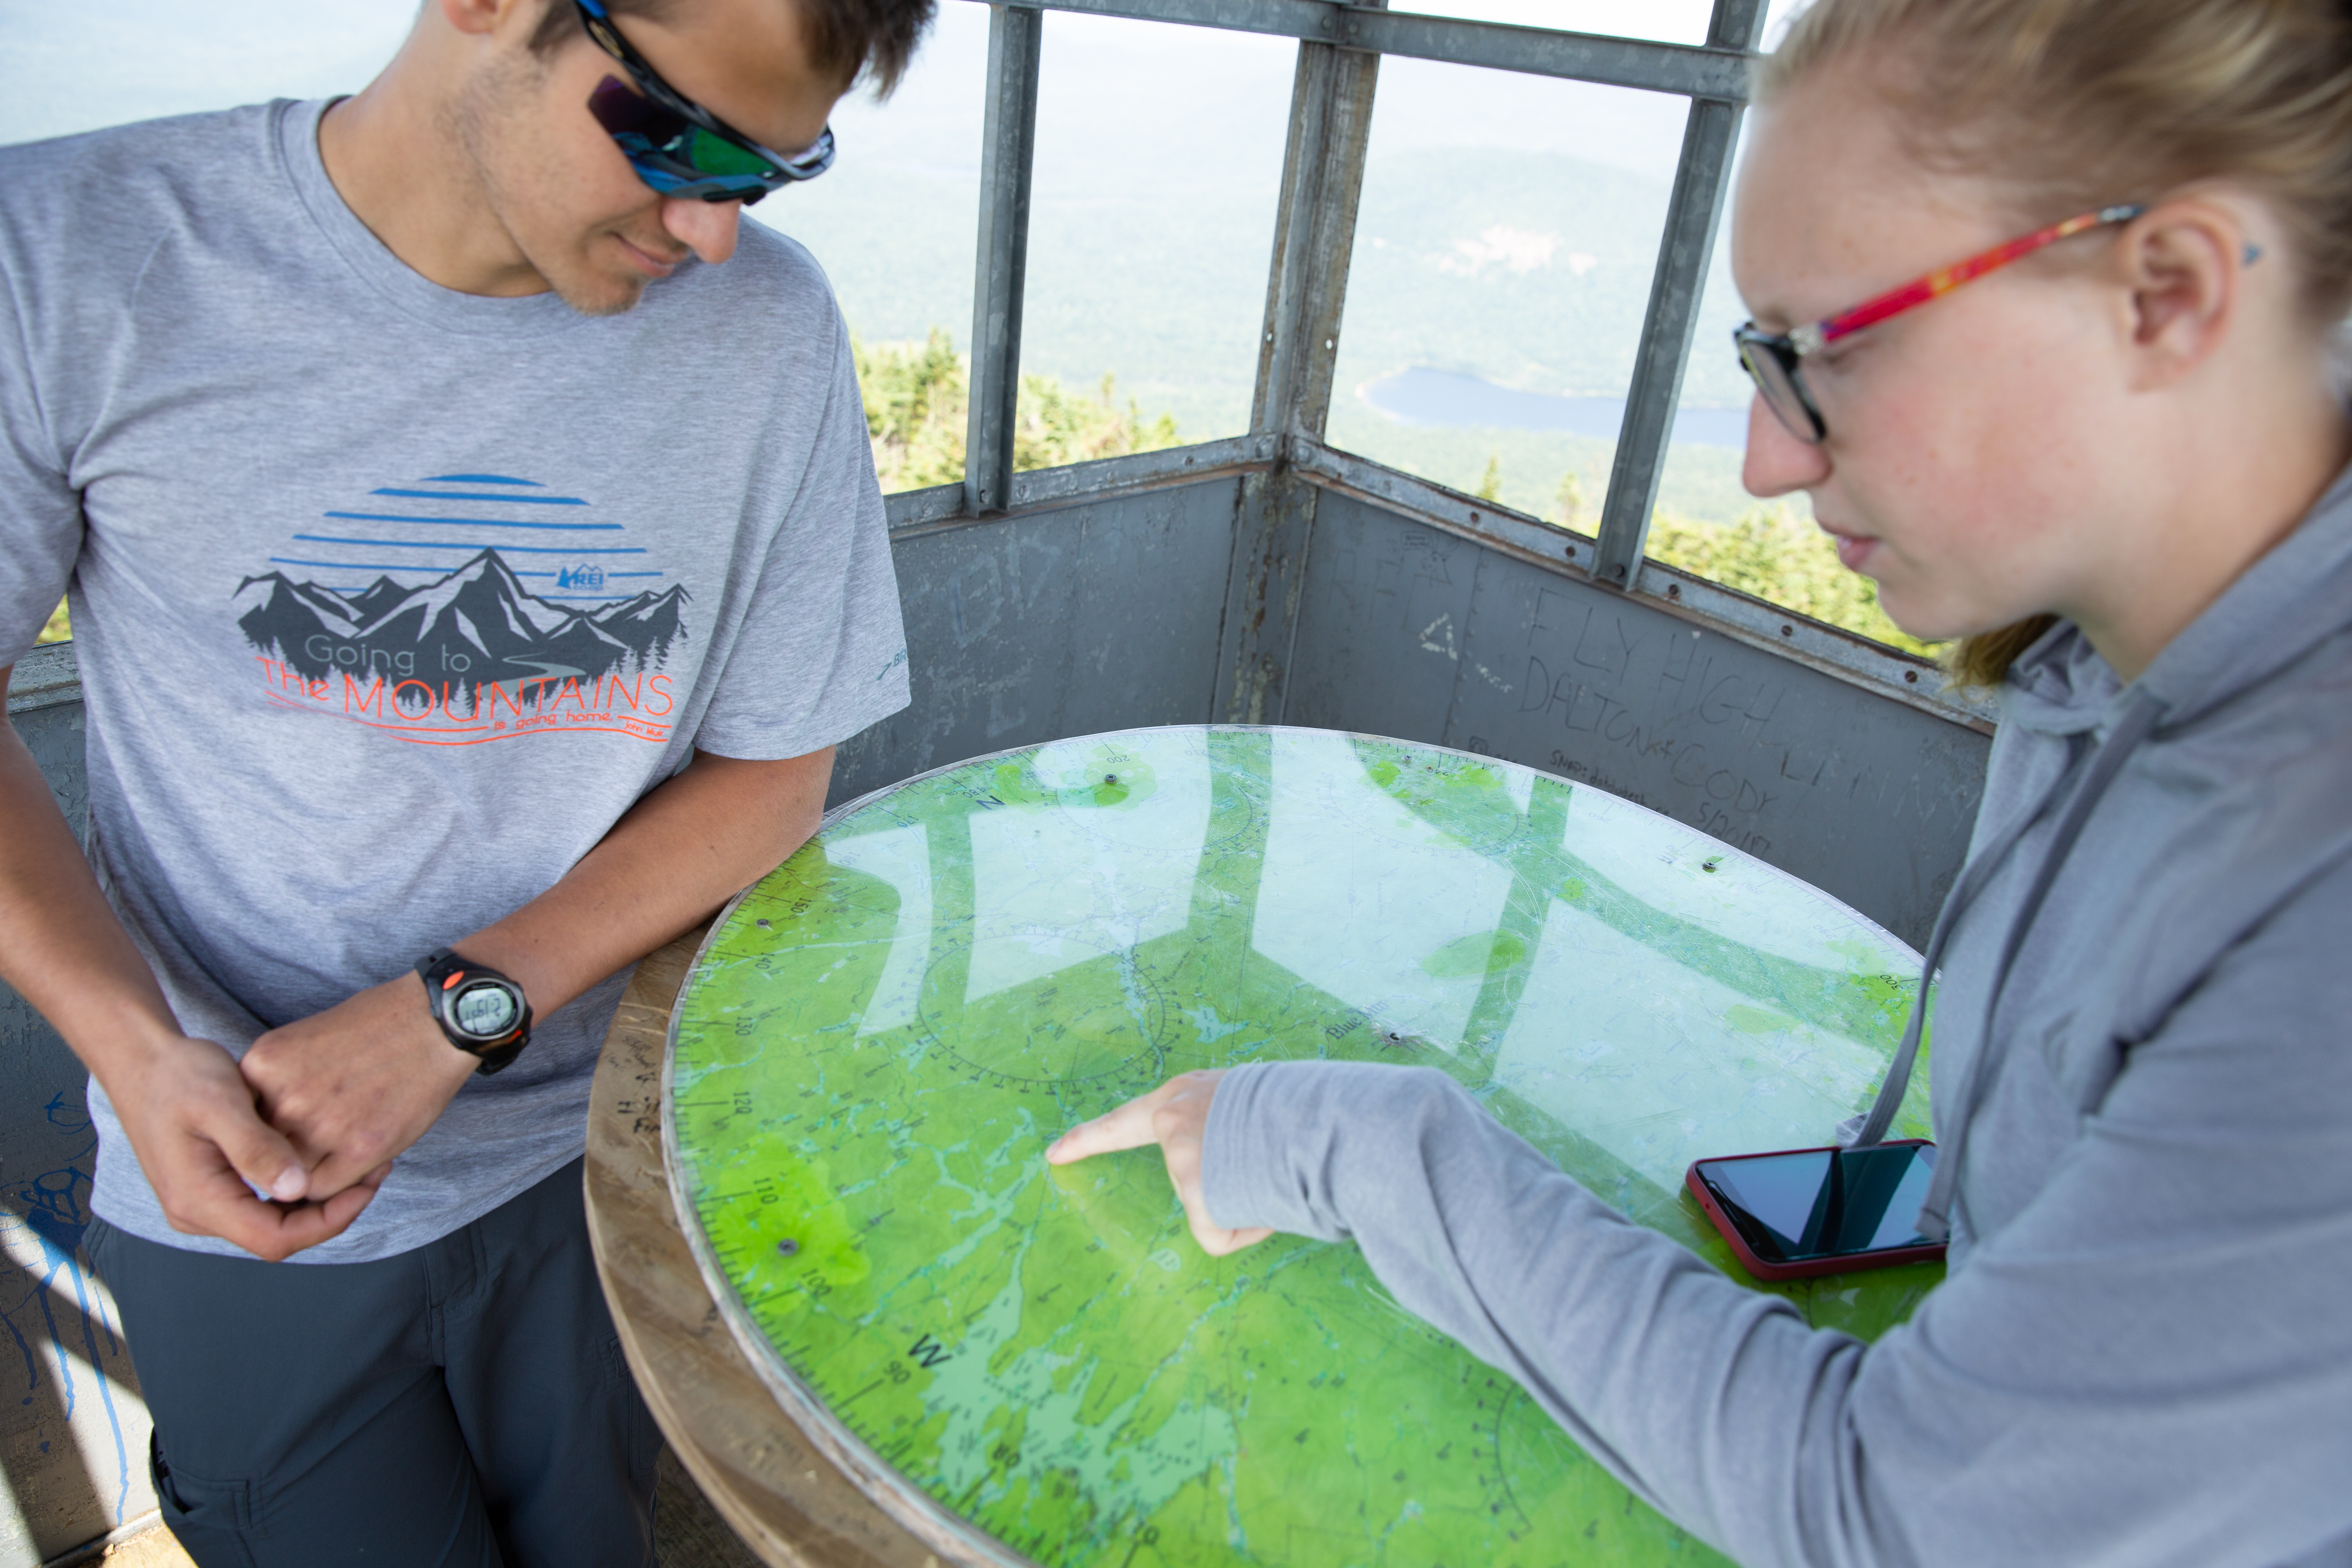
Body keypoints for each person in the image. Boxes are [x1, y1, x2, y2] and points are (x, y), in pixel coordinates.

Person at [1050, 0, 2352, 1563]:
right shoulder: (2096, 659)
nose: (1768, 461)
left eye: (1829, 353)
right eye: (1759, 355)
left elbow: (1896, 1516)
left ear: (2169, 290)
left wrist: (1370, 1147)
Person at [0, 0, 931, 1561]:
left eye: (769, 174)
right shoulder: (75, 256)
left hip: (601, 1161)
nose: (708, 232)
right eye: (676, 143)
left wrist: (453, 1012)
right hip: (236, 1181)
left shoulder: (763, 332)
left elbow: (776, 780)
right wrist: (138, 1055)